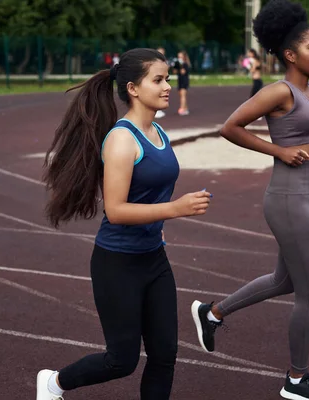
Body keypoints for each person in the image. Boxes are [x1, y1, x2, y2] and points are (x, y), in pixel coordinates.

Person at [190, 0, 309, 399]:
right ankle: (296, 381)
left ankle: (213, 313)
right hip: (288, 196)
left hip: (308, 194)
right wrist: (278, 151)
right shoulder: (280, 91)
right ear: (291, 54)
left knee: (285, 281)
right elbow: (230, 127)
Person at [37, 48, 212, 400]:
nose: (167, 86)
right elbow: (116, 211)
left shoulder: (157, 131)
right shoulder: (121, 140)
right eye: (158, 80)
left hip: (153, 259)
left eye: (168, 79)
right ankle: (53, 383)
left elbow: (149, 191)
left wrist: (161, 218)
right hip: (117, 263)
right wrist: (174, 209)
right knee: (122, 360)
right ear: (133, 88)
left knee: (165, 354)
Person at [174, 51, 190, 116]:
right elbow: (175, 71)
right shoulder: (178, 63)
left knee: (183, 95)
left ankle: (182, 109)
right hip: (180, 81)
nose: (179, 57)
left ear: (183, 57)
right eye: (178, 56)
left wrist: (181, 66)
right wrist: (176, 66)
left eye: (180, 56)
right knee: (181, 95)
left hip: (184, 81)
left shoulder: (185, 64)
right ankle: (186, 108)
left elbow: (183, 72)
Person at [155, 47, 168, 119]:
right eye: (160, 52)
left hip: (161, 81)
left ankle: (158, 109)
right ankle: (156, 110)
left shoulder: (163, 61)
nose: (162, 54)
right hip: (157, 81)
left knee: (162, 95)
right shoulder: (155, 61)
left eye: (163, 52)